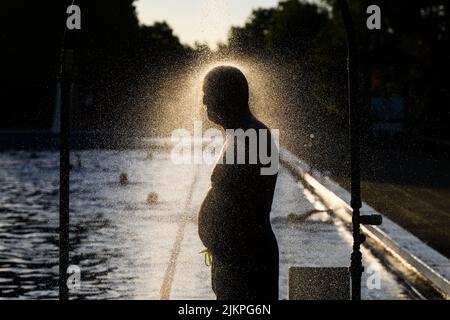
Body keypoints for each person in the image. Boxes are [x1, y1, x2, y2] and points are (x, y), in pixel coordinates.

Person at [198, 66, 279, 300]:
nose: (203, 100)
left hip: (247, 265)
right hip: (237, 260)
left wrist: (226, 248)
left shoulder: (252, 137)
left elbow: (250, 210)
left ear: (228, 94)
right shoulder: (241, 135)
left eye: (208, 92)